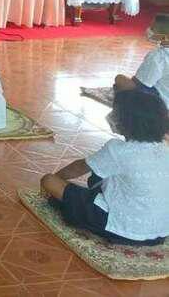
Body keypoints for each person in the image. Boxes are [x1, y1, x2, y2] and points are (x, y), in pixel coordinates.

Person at [40, 89, 169, 246]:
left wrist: (57, 178)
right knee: (99, 174)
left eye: (116, 113)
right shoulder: (165, 148)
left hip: (124, 230)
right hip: (159, 233)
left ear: (128, 122)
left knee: (49, 181)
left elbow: (78, 168)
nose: (111, 116)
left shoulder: (118, 150)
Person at [113, 15, 168, 108]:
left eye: (152, 28)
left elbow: (141, 85)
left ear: (163, 36)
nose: (149, 30)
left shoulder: (158, 56)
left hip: (160, 102)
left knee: (119, 79)